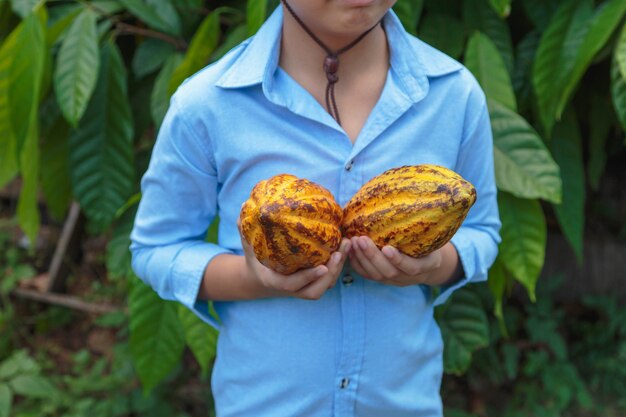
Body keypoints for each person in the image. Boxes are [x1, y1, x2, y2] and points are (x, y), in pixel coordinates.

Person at [130, 0, 501, 416]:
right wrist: (254, 277)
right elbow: (155, 249)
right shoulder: (208, 104)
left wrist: (432, 266)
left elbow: (482, 232)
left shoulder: (453, 94)